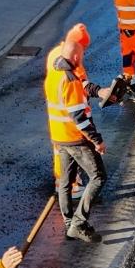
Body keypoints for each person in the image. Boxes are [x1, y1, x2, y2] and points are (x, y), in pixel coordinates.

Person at [45, 23, 107, 244]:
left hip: (58, 135)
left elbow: (82, 84)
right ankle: (79, 223)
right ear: (77, 51)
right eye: (83, 51)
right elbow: (79, 117)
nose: (84, 56)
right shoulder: (69, 80)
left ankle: (70, 224)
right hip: (74, 138)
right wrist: (97, 141)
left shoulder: (56, 63)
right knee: (98, 177)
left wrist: (99, 91)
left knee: (65, 181)